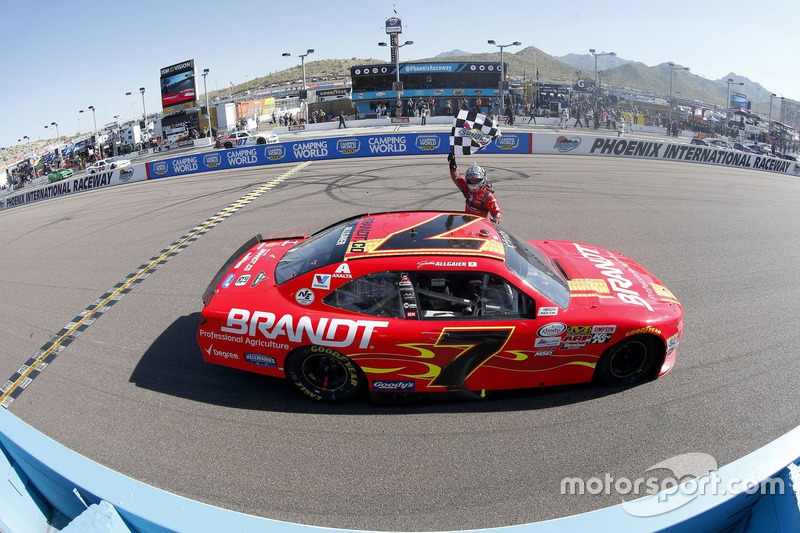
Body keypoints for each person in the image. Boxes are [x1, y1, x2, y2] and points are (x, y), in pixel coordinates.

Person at [447, 153, 502, 224]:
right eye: (471, 179)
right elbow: (457, 179)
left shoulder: (488, 197)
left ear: (482, 179)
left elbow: (497, 212)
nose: (473, 182)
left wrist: (496, 219)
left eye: (475, 179)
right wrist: (452, 165)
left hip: (479, 227)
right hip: (466, 223)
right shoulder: (468, 191)